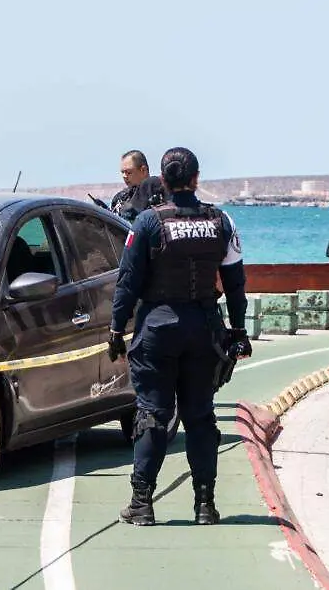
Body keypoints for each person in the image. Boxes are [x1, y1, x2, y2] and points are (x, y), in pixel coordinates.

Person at [107, 147, 252, 527]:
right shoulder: (221, 222)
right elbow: (236, 285)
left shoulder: (147, 223)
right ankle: (205, 505)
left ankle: (142, 503)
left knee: (153, 415)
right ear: (196, 178)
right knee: (200, 417)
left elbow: (127, 282)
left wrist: (115, 328)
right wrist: (238, 331)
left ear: (162, 180)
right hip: (204, 329)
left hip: (157, 328)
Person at [109, 150, 166, 222]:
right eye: (122, 172)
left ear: (143, 170)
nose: (124, 176)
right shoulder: (120, 198)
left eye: (128, 172)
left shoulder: (160, 194)